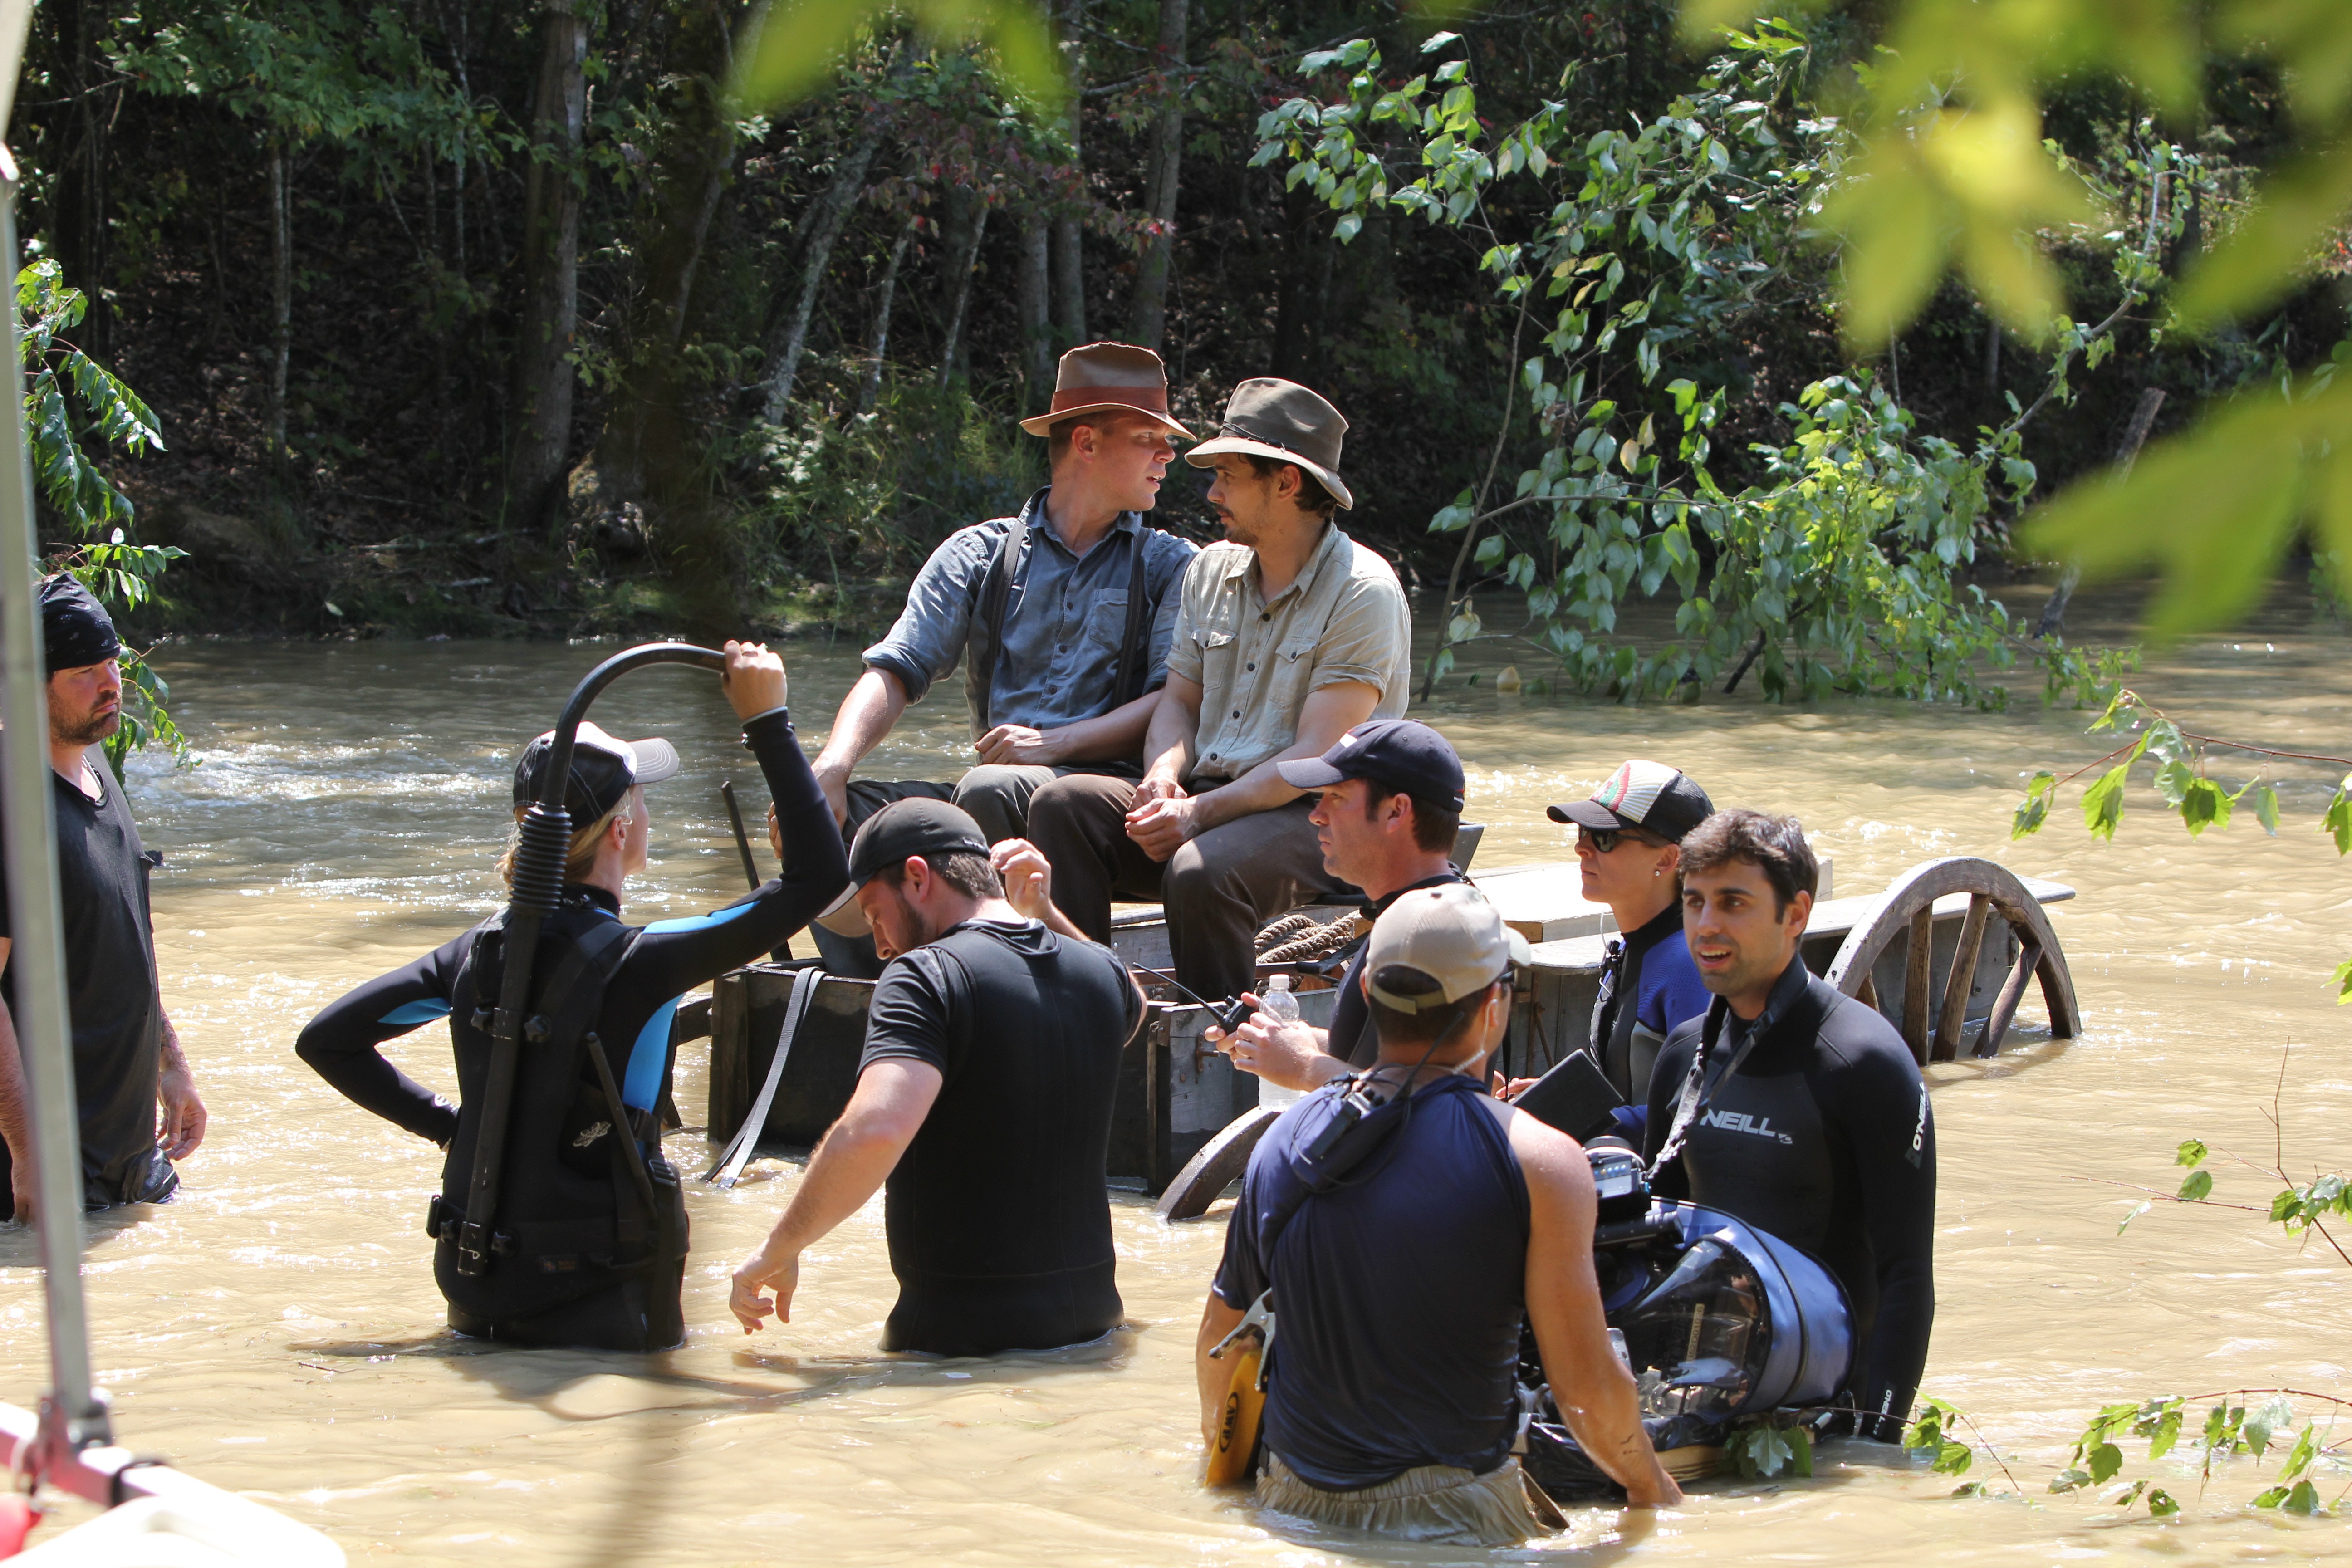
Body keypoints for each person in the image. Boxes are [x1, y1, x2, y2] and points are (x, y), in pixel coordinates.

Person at [296, 641, 846, 1352]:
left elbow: (327, 1042)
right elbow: (817, 879)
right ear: (622, 830)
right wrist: (768, 722)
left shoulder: (471, 953)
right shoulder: (645, 960)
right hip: (604, 1296)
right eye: (643, 803)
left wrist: (450, 1128)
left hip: (480, 1287)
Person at [1197, 884, 1681, 1544]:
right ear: (1494, 1006)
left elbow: (1220, 1349)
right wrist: (1654, 1493)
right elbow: (1586, 1388)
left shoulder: (1282, 1142)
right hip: (1455, 1518)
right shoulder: (1543, 1162)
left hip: (1292, 1502)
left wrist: (1233, 1492)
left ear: (1365, 992)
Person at [808, 343, 1200, 976]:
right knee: (831, 815)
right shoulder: (981, 553)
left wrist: (1053, 743)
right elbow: (896, 668)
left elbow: (1172, 698)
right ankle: (872, 989)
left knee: (991, 785)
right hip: (995, 787)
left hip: (1101, 796)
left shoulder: (1169, 565)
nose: (1168, 455)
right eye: (1149, 437)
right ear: (1087, 443)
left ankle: (1023, 987)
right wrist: (830, 766)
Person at [1026, 377, 1411, 1003]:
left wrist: (1197, 816)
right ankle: (1088, 1007)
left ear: (1286, 483)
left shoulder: (1361, 590)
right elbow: (1179, 702)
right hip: (1211, 797)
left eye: (1228, 476)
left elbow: (1315, 760)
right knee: (1062, 807)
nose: (1211, 493)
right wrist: (1162, 775)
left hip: (1319, 816)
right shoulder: (1211, 569)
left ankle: (1219, 1041)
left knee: (1202, 871)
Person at [730, 799, 1142, 1357]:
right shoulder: (1098, 973)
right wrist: (1043, 913)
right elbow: (1134, 1003)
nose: (879, 945)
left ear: (918, 877)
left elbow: (874, 1129)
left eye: (876, 915)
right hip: (1097, 1335)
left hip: (955, 1346)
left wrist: (780, 1247)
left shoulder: (924, 976)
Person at [1642, 808, 1935, 1442]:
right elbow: (1660, 1246)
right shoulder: (1683, 1055)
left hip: (1821, 1419)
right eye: (1694, 902)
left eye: (1733, 903)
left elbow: (1906, 1274)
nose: (1706, 926)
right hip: (1708, 1410)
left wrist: (1874, 1443)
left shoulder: (1865, 1062)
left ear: (1795, 915)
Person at [0, 575, 206, 1222]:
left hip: (132, 1160)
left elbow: (122, 940)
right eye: (84, 672)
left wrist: (171, 1067)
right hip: (54, 1177)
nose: (112, 684)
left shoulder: (95, 767)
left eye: (114, 663)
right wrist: (31, 1157)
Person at [1206, 719, 1467, 1090]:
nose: (1316, 814)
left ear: (1396, 812)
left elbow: (1416, 1103)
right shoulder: (1413, 915)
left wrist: (1304, 1067)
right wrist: (1287, 1040)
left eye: (1337, 797)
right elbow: (1378, 1061)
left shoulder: (1432, 933)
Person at [1547, 759, 1715, 1105]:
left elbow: (1695, 1118)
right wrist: (1550, 1098)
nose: (1582, 847)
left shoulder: (1690, 967)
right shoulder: (1629, 945)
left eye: (1605, 838)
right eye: (1583, 832)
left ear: (1667, 860)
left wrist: (1561, 1118)